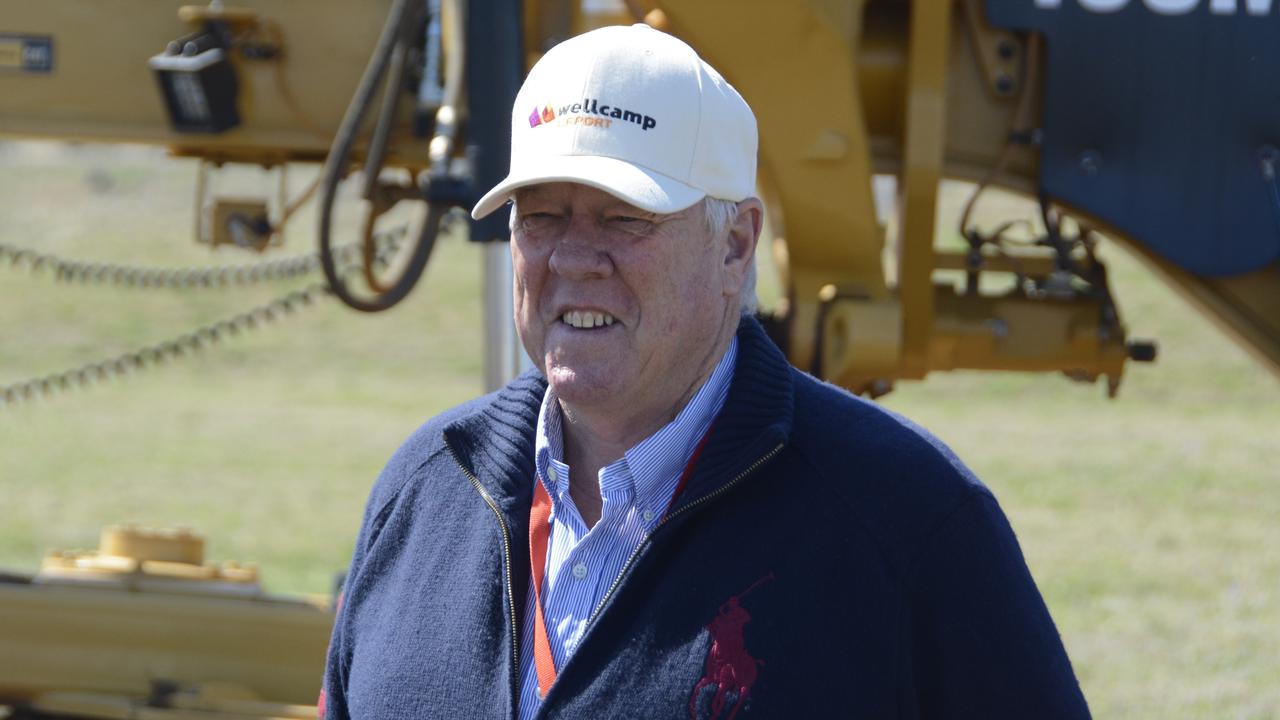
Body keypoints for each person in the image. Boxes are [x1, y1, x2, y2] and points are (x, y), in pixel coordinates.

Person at [321, 23, 1092, 720]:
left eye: (625, 217)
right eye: (541, 216)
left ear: (735, 245)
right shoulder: (423, 494)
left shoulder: (906, 522)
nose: (573, 259)